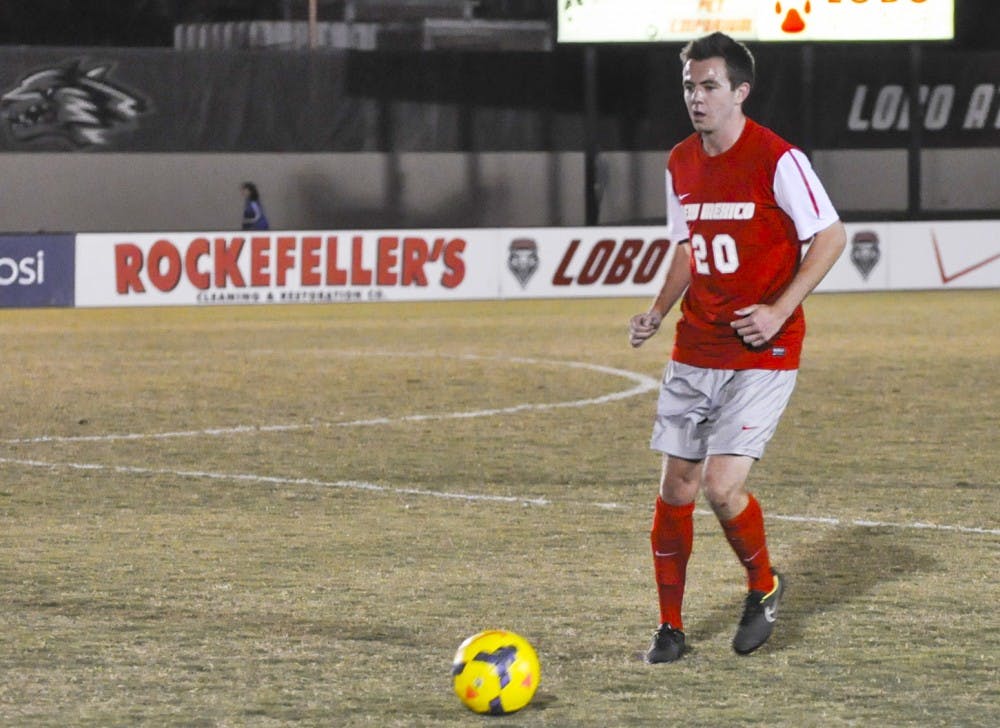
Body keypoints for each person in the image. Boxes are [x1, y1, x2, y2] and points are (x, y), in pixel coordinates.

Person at [628, 31, 846, 663]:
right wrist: (656, 310)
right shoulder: (679, 161)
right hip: (696, 344)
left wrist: (780, 310)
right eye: (689, 86)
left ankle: (763, 586)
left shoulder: (778, 159)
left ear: (740, 91)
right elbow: (686, 248)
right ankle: (670, 626)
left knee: (723, 488)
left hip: (762, 350)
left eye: (709, 86)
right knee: (676, 491)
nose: (696, 98)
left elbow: (830, 237)